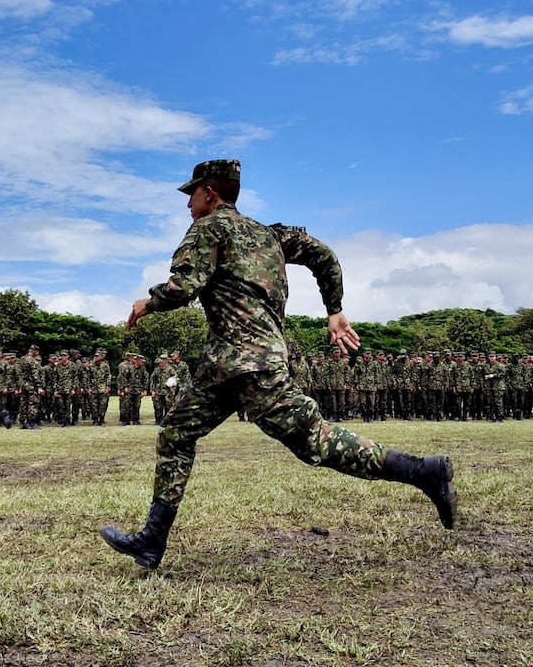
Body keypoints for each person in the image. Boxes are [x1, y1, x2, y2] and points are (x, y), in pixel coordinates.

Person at [99, 159, 457, 570]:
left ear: (210, 193)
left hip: (249, 366)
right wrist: (334, 310)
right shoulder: (271, 236)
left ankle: (424, 472)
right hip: (226, 367)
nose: (188, 205)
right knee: (176, 434)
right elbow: (324, 255)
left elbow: (185, 285)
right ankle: (151, 541)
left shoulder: (210, 227)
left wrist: (149, 302)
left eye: (192, 195)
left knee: (314, 441)